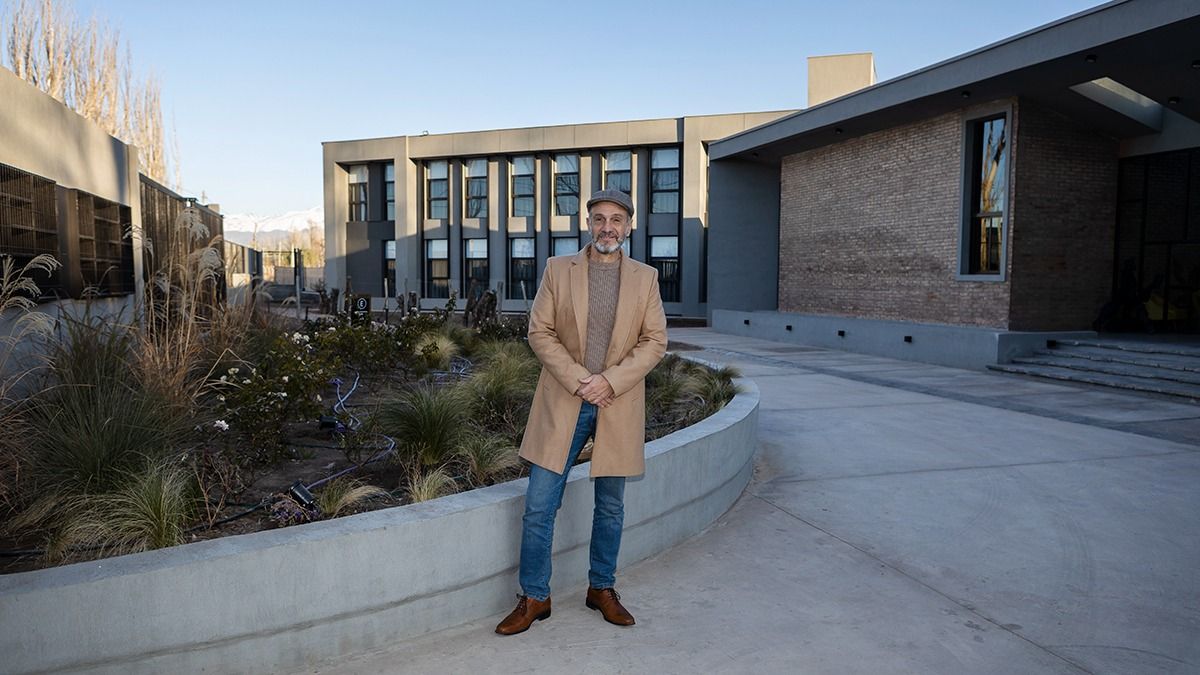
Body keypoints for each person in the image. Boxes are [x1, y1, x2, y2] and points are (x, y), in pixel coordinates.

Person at [495, 189, 667, 635]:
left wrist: (609, 381)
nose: (607, 227)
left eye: (616, 219)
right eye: (598, 219)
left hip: (617, 402)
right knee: (538, 505)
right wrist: (580, 379)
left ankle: (601, 589)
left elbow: (655, 341)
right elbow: (540, 331)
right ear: (586, 223)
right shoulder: (557, 269)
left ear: (629, 226)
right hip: (564, 400)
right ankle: (535, 596)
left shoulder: (645, 278)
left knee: (610, 507)